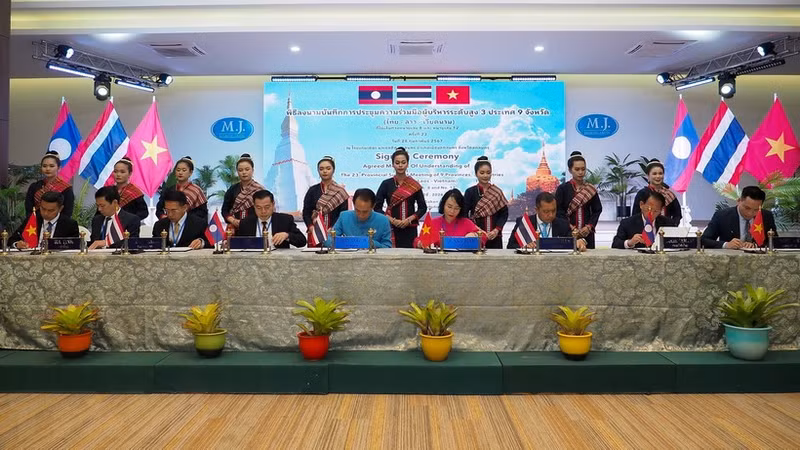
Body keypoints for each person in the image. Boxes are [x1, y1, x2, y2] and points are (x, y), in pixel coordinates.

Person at [375, 147, 427, 248]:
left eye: (403, 162)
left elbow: (423, 208)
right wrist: (392, 220)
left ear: (407, 164)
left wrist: (409, 220)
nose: (400, 165)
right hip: (390, 227)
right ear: (392, 164)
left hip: (410, 228)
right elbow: (377, 207)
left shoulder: (414, 185)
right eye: (397, 163)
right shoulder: (386, 184)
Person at [702, 186, 777, 249]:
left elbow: (775, 242)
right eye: (747, 208)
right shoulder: (722, 216)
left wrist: (756, 246)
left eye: (756, 210)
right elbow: (704, 240)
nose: (750, 213)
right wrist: (726, 245)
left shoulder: (766, 216)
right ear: (739, 201)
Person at [507, 192, 587, 251]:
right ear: (537, 210)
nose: (551, 215)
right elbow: (510, 246)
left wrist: (580, 241)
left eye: (554, 211)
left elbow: (571, 242)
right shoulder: (525, 223)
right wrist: (524, 247)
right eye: (546, 211)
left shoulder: (563, 224)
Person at [555, 151, 602, 249]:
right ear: (570, 170)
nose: (580, 172)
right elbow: (559, 211)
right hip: (567, 232)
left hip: (587, 233)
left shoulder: (590, 189)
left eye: (583, 169)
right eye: (577, 169)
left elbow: (597, 210)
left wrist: (589, 226)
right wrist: (570, 227)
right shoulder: (563, 189)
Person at [414, 189, 487, 249]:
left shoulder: (466, 223)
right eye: (449, 207)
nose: (452, 211)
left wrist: (475, 235)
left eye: (456, 208)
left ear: (461, 209)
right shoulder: (433, 222)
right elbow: (418, 240)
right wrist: (420, 243)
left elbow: (484, 236)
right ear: (443, 205)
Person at [235, 189, 307, 249]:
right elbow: (238, 245)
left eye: (267, 207)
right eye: (259, 208)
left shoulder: (285, 220)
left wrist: (287, 235)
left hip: (279, 260)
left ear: (273, 205)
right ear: (254, 206)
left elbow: (302, 241)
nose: (263, 211)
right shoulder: (245, 223)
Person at [302, 156, 349, 246]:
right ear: (318, 171)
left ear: (333, 170)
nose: (324, 171)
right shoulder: (312, 190)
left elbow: (342, 214)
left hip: (334, 232)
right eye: (321, 169)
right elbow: (306, 212)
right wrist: (311, 227)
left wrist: (332, 228)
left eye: (328, 168)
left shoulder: (340, 192)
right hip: (314, 232)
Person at [465, 156, 508, 249]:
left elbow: (504, 213)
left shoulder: (497, 192)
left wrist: (497, 230)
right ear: (476, 174)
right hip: (476, 235)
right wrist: (477, 230)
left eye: (488, 173)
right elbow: (464, 215)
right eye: (482, 173)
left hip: (495, 236)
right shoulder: (470, 192)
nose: (485, 175)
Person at [9, 191, 79, 249]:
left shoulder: (70, 225)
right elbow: (12, 240)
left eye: (50, 210)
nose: (45, 213)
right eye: (43, 209)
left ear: (60, 209)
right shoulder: (33, 219)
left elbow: (74, 247)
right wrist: (17, 244)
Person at [156, 156, 208, 222]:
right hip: (170, 224)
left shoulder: (196, 190)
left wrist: (185, 219)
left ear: (190, 172)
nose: (180, 173)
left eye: (184, 170)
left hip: (191, 224)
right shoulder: (169, 190)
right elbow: (159, 208)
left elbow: (202, 213)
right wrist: (163, 217)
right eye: (178, 170)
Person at [222, 153, 266, 231]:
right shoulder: (232, 189)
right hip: (234, 229)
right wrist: (233, 220)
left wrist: (247, 223)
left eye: (247, 169)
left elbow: (265, 211)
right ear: (237, 172)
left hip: (255, 229)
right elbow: (224, 210)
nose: (244, 172)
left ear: (252, 170)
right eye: (240, 170)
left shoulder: (260, 190)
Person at [25, 151, 75, 219]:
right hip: (36, 222)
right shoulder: (34, 187)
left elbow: (67, 211)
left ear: (59, 168)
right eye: (44, 166)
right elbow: (29, 208)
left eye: (51, 166)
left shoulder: (66, 188)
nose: (48, 169)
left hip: (58, 223)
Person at [632, 159, 682, 226]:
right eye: (654, 174)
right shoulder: (642, 194)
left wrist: (672, 225)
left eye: (660, 173)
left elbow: (678, 214)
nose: (658, 176)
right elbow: (635, 215)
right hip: (646, 229)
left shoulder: (669, 194)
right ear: (648, 176)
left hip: (665, 230)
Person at [105, 157, 149, 221]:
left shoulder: (135, 192)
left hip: (128, 226)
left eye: (122, 172)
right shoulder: (107, 192)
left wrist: (130, 220)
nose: (118, 174)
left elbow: (144, 213)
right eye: (115, 171)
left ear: (130, 173)